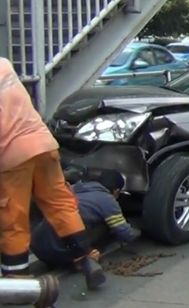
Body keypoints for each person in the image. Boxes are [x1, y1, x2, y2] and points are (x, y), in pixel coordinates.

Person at [0, 58, 105, 289]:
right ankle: (86, 258)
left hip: (12, 155)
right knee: (60, 204)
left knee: (13, 216)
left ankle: (17, 280)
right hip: (44, 144)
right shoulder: (5, 66)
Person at [31, 169, 141, 269]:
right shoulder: (107, 199)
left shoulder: (74, 188)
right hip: (60, 252)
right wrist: (140, 231)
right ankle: (83, 258)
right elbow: (124, 233)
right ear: (116, 191)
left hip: (37, 245)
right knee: (108, 228)